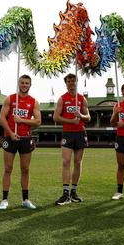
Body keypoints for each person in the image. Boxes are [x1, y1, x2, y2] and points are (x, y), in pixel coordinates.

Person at [0, 74, 42, 210]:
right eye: (22, 83)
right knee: (8, 168)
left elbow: (38, 121)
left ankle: (25, 199)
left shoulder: (34, 102)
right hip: (10, 137)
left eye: (27, 83)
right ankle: (4, 200)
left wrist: (22, 120)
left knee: (25, 169)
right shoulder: (10, 99)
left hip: (25, 138)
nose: (24, 85)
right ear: (19, 83)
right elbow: (1, 118)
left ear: (30, 85)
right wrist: (10, 133)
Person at [52, 73, 91, 205]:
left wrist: (80, 115)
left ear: (76, 82)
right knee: (66, 162)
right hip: (68, 133)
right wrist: (70, 120)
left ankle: (74, 191)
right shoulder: (62, 99)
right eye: (68, 81)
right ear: (66, 83)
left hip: (80, 133)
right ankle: (65, 193)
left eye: (73, 81)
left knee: (78, 162)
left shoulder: (81, 99)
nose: (71, 83)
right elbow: (56, 117)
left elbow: (88, 117)